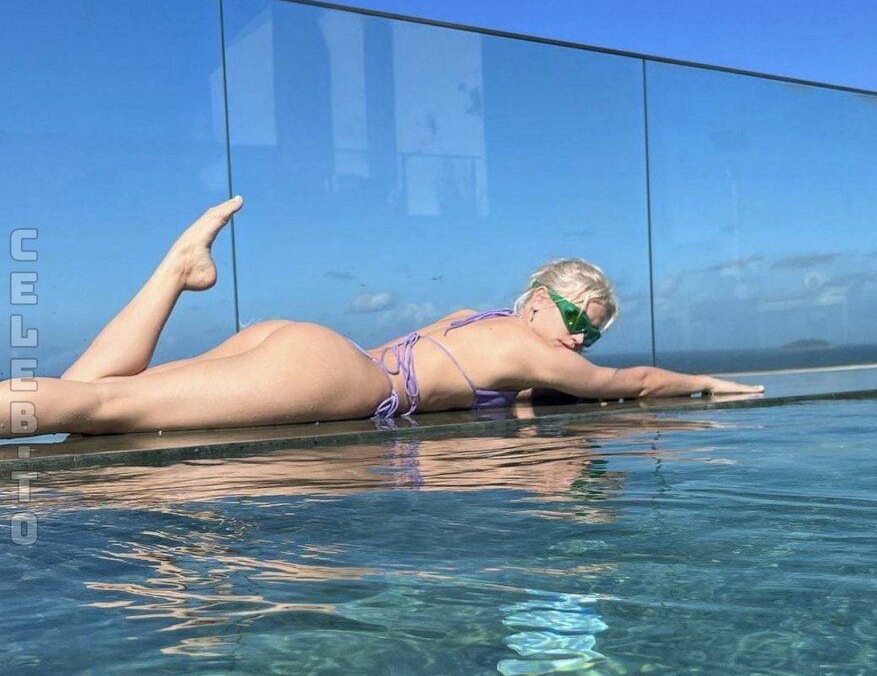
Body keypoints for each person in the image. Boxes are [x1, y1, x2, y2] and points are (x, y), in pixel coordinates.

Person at [0, 197, 763, 439]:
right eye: (571, 316)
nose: (576, 338)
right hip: (335, 376)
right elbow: (630, 382)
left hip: (306, 353)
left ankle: (176, 272)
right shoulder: (530, 349)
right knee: (106, 408)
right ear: (537, 296)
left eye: (589, 331)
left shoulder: (475, 322)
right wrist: (703, 383)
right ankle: (175, 266)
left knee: (93, 400)